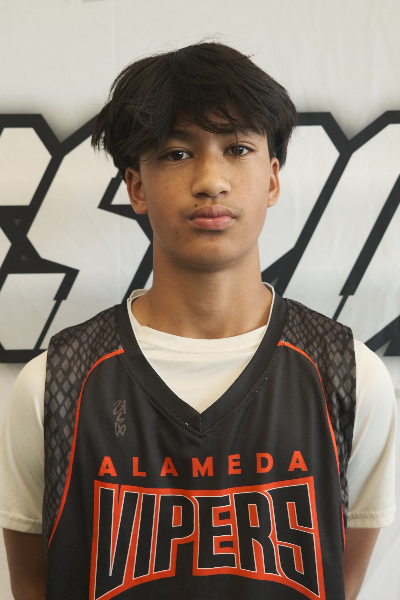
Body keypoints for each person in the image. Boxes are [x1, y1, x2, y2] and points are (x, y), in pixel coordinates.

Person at [0, 42, 396, 600]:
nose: (211, 179)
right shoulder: (52, 386)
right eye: (177, 153)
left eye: (237, 148)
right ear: (136, 186)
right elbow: (33, 583)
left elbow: (340, 577)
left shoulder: (351, 375)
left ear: (273, 179)